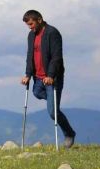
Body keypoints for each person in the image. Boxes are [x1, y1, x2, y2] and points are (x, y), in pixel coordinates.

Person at [20, 10, 76, 148]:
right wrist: (27, 75)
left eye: (31, 24)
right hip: (38, 78)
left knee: (52, 112)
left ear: (39, 19)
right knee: (37, 93)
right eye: (28, 25)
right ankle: (52, 100)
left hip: (52, 78)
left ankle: (69, 133)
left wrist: (50, 75)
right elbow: (30, 56)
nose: (30, 27)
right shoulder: (31, 35)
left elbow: (57, 57)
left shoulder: (52, 33)